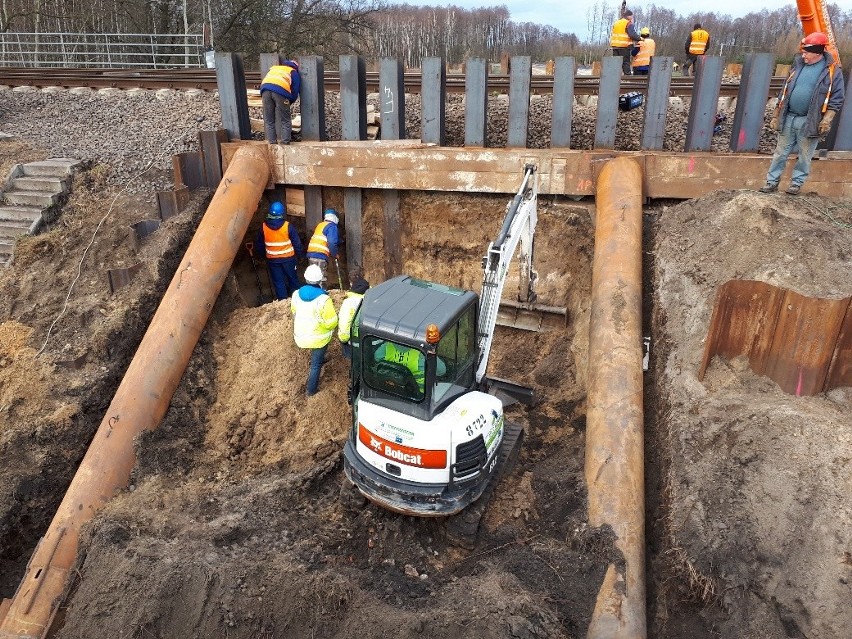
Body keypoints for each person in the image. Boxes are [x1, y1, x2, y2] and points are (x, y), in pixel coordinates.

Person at [759, 32, 844, 195]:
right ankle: (771, 182)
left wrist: (826, 120)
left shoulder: (832, 71)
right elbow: (783, 92)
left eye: (806, 51)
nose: (803, 54)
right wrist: (777, 114)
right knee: (780, 153)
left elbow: (837, 97)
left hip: (809, 120)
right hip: (789, 117)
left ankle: (796, 184)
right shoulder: (798, 66)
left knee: (805, 155)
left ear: (817, 52)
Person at [291, 264, 338, 396]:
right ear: (320, 280)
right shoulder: (323, 300)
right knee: (316, 365)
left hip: (300, 336)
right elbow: (331, 323)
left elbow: (294, 311)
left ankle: (320, 358)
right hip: (318, 339)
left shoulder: (296, 295)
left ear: (305, 278)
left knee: (317, 358)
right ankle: (311, 391)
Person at [254, 200, 304, 300]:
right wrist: (300, 255)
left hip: (273, 260)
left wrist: (263, 256)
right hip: (288, 259)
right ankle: (296, 300)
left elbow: (259, 245)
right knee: (292, 279)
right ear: (282, 213)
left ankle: (282, 302)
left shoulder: (263, 227)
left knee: (278, 282)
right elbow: (297, 243)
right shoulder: (287, 226)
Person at [260, 60, 301, 146]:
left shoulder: (274, 69)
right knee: (285, 119)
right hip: (280, 92)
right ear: (295, 67)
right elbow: (295, 90)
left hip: (265, 91)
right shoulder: (293, 72)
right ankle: (285, 143)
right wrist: (290, 101)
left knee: (269, 120)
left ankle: (272, 143)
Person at [306, 209, 340, 287]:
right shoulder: (332, 226)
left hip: (311, 253)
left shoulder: (321, 225)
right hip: (320, 255)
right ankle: (321, 294)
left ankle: (312, 293)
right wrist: (335, 254)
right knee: (320, 277)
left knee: (312, 276)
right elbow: (331, 242)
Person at [338, 278, 370, 359]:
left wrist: (343, 339)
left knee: (353, 364)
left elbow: (345, 323)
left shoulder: (349, 303)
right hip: (370, 342)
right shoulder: (373, 300)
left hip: (354, 342)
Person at [610, 10, 640, 76]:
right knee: (625, 63)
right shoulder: (628, 23)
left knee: (616, 63)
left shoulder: (617, 23)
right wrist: (640, 39)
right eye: (632, 17)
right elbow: (632, 34)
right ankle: (627, 78)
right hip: (624, 46)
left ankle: (614, 77)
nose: (632, 18)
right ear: (629, 16)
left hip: (615, 46)